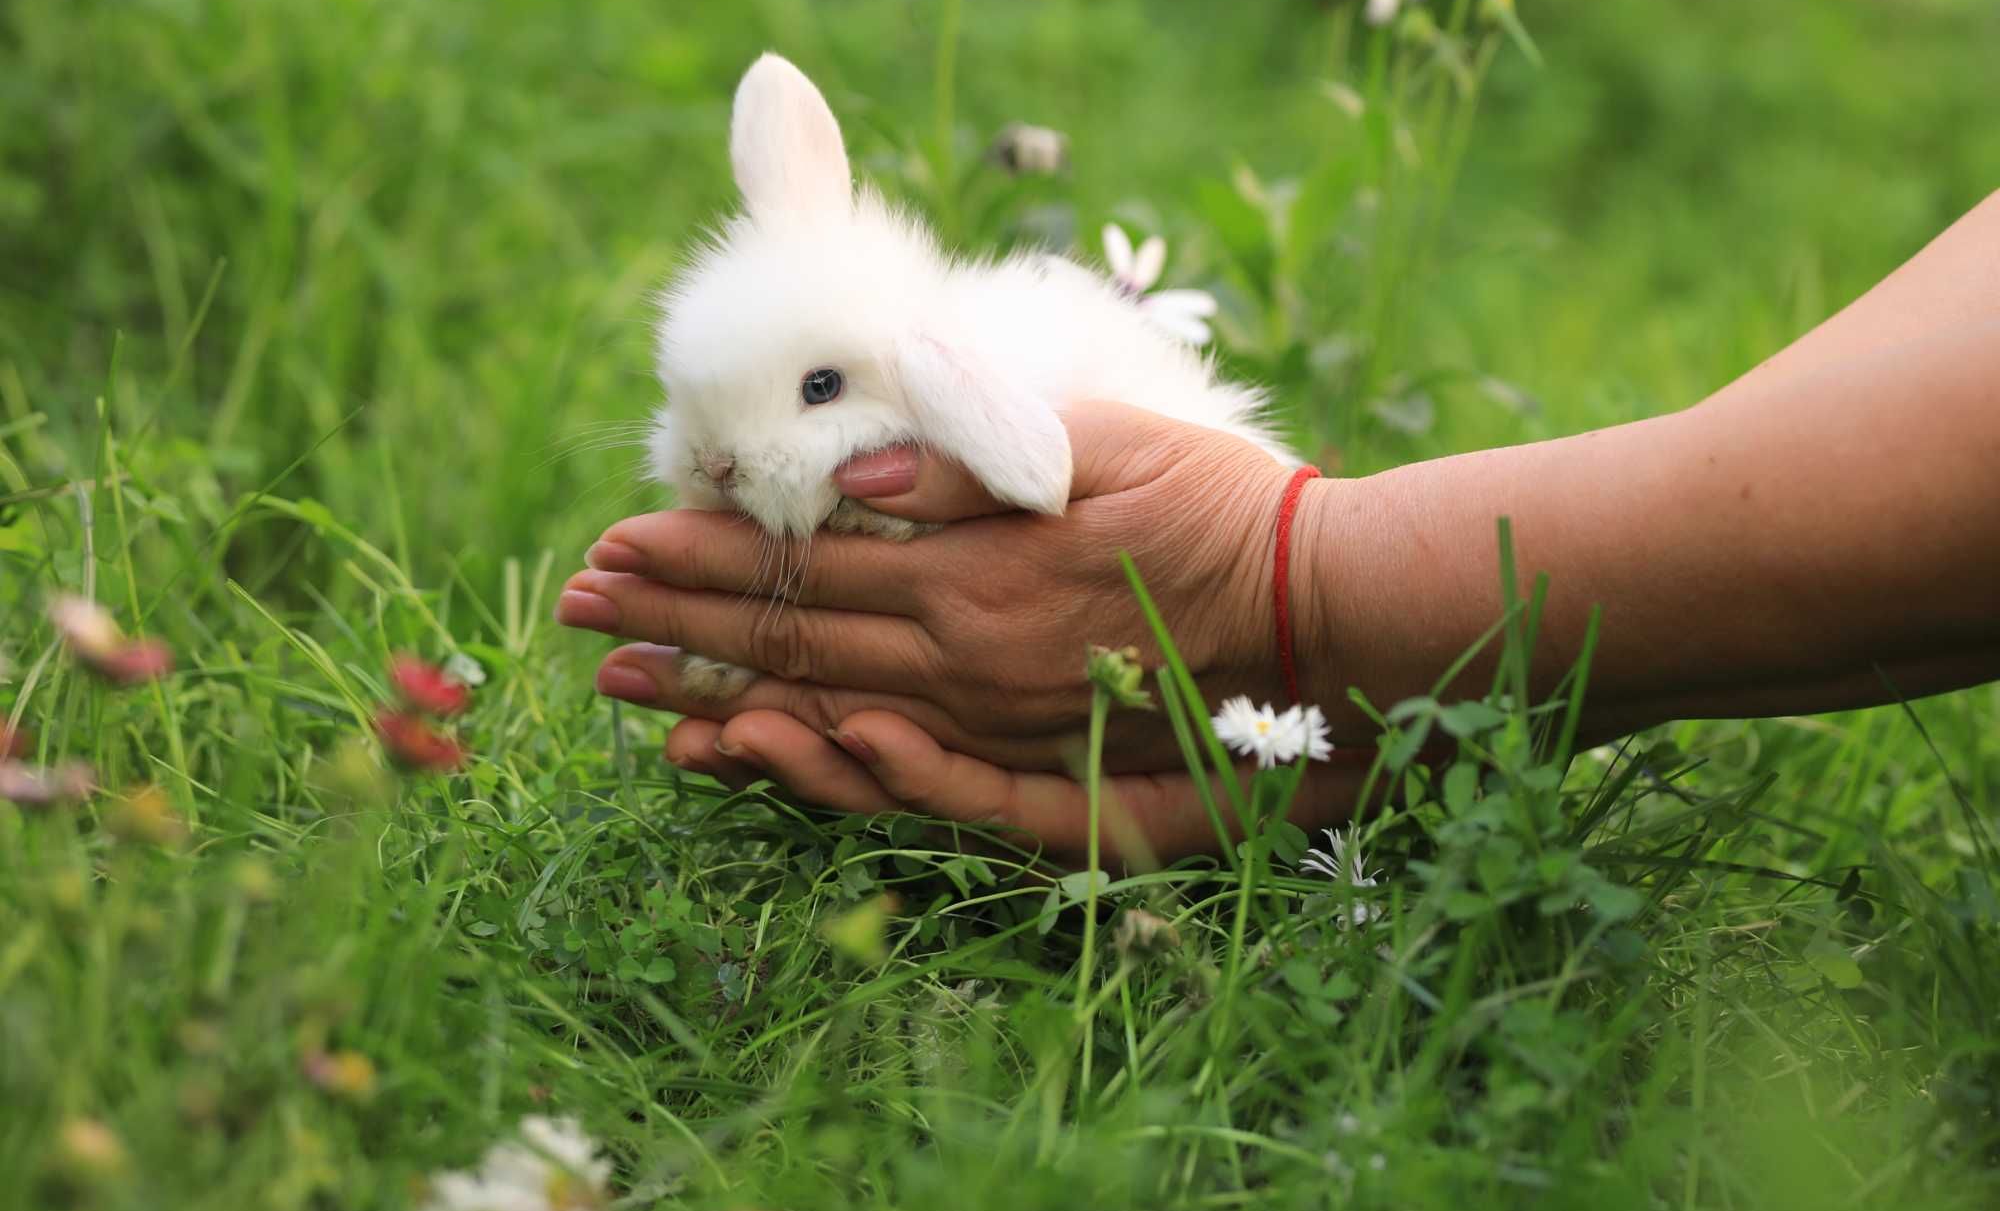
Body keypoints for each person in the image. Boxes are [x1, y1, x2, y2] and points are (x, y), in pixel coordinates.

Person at [557, 190, 2000, 862]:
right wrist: (1375, 666)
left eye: (811, 393)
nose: (720, 464)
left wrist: (1291, 591)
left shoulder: (973, 373)